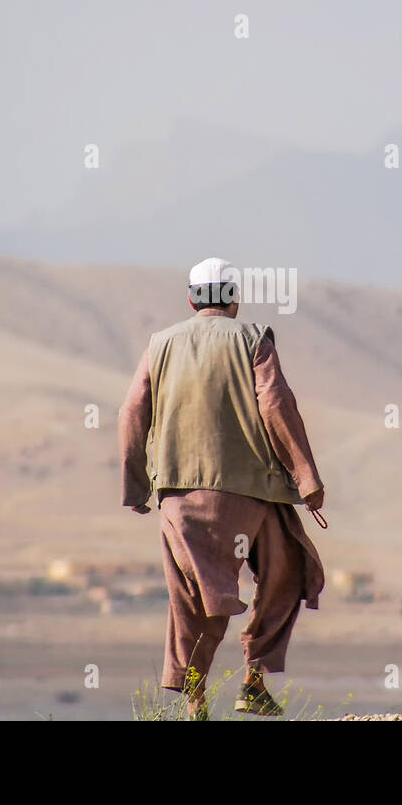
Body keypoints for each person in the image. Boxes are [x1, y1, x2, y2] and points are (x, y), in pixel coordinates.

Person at [118, 257, 326, 719]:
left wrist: (136, 487)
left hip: (177, 495)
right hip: (252, 490)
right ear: (234, 300)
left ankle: (195, 701)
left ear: (191, 299)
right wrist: (307, 477)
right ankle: (253, 681)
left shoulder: (160, 344)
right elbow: (275, 405)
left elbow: (132, 411)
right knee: (286, 572)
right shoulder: (253, 339)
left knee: (190, 598)